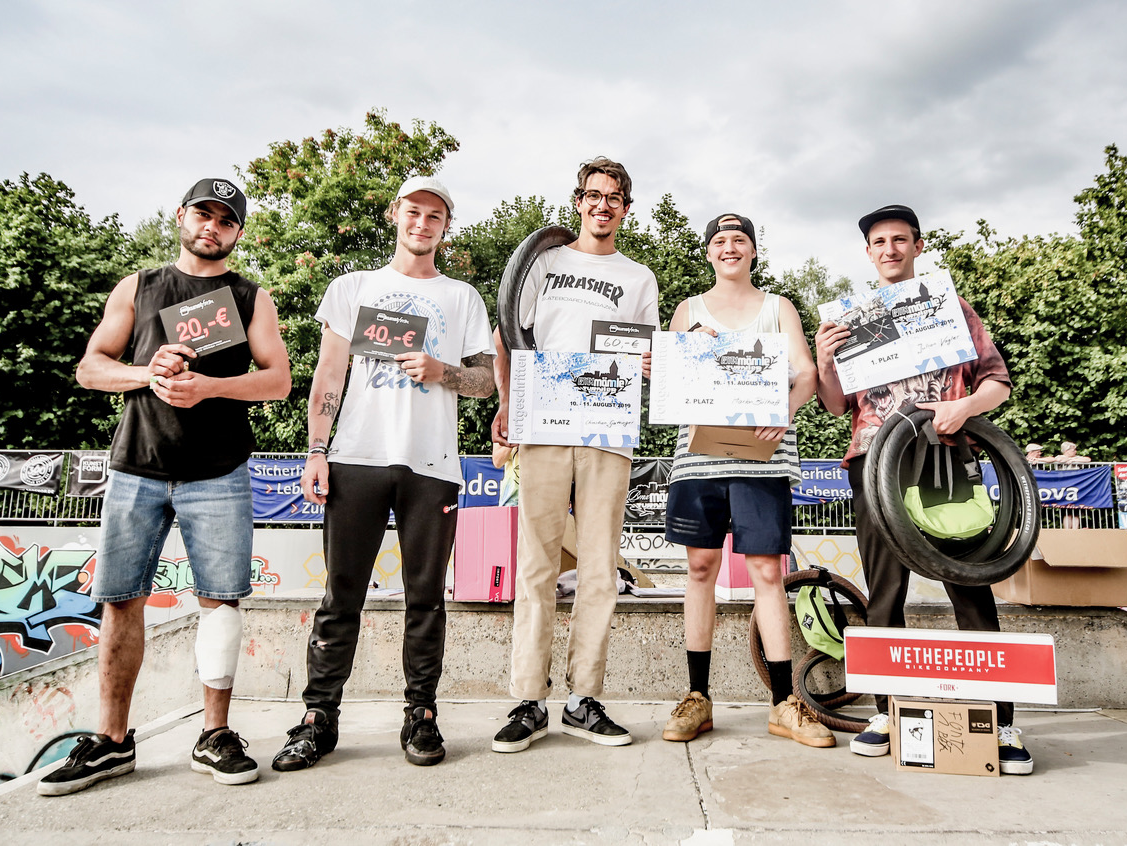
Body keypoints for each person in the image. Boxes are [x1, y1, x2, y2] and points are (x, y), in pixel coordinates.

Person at [40, 179, 292, 795]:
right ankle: (112, 741)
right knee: (120, 600)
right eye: (204, 213)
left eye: (226, 220)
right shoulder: (139, 286)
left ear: (238, 232)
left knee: (220, 602)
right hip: (138, 466)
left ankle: (214, 734)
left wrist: (209, 387)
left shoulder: (251, 298)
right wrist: (144, 374)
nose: (213, 226)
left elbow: (278, 380)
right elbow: (90, 368)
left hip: (220, 470)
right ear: (181, 215)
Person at [271, 176, 494, 770]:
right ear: (395, 214)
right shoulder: (353, 287)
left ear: (446, 227)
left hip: (432, 465)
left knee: (427, 598)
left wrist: (442, 371)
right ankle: (319, 717)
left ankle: (421, 713)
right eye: (413, 211)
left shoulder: (462, 298)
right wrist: (316, 450)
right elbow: (329, 374)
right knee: (341, 595)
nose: (422, 223)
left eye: (435, 216)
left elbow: (486, 382)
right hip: (355, 458)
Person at [814, 204, 1033, 775]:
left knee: (969, 583)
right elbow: (835, 405)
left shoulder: (952, 307)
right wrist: (824, 359)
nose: (889, 249)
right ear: (868, 253)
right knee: (885, 590)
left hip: (945, 457)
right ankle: (885, 711)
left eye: (899, 239)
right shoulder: (851, 320)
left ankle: (1000, 722)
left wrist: (965, 406)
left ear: (916, 246)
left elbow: (998, 382)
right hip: (873, 463)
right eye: (879, 242)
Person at [490, 157, 658, 752]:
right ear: (578, 202)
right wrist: (506, 404)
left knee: (599, 569)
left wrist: (649, 363)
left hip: (608, 431)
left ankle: (583, 699)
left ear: (625, 209)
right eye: (593, 195)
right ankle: (528, 699)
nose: (602, 205)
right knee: (535, 565)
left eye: (613, 197)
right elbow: (508, 336)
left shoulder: (639, 277)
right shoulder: (545, 262)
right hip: (542, 424)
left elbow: (648, 355)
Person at [656, 214, 832, 747]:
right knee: (700, 568)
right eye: (719, 241)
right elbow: (667, 378)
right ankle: (697, 696)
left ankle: (783, 702)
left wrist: (787, 407)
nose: (729, 247)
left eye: (739, 240)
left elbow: (806, 372)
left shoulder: (778, 308)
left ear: (753, 251)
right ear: (708, 252)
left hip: (763, 459)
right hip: (699, 460)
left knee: (767, 571)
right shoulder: (688, 310)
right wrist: (677, 352)